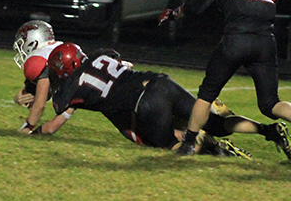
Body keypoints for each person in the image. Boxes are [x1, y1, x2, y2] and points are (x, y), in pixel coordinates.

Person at [29, 43, 290, 159]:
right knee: (215, 122)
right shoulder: (100, 55)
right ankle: (268, 130)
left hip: (145, 102)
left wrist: (34, 131)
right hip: (161, 82)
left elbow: (53, 124)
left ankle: (214, 149)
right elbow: (121, 63)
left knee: (171, 145)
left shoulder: (74, 87)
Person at [159, 0, 291, 158]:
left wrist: (175, 13)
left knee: (207, 95)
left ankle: (189, 144)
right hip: (266, 42)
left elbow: (198, 6)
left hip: (236, 40)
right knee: (270, 103)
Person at [13, 20, 64, 134]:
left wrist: (28, 127)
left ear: (33, 41)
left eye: (22, 43)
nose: (22, 49)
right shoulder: (57, 48)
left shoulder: (40, 57)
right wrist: (20, 96)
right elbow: (38, 94)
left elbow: (40, 103)